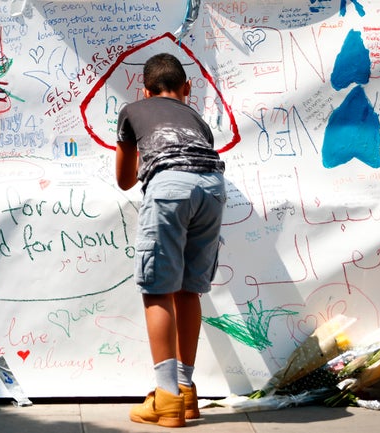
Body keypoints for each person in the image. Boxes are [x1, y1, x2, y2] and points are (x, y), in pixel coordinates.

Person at [115, 52, 226, 428]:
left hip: (170, 187)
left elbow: (125, 179)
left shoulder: (132, 110)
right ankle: (186, 391)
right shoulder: (198, 121)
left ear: (145, 90)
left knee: (158, 290)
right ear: (188, 89)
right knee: (189, 290)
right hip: (213, 186)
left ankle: (165, 400)